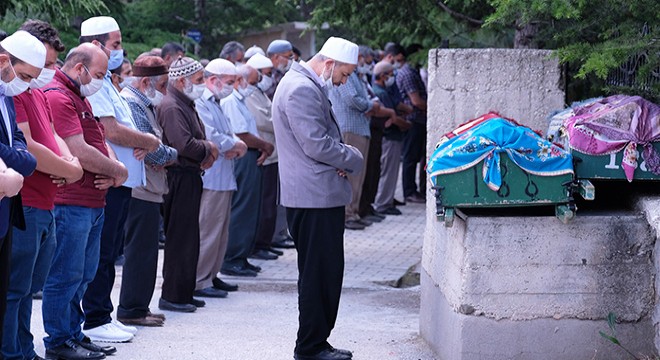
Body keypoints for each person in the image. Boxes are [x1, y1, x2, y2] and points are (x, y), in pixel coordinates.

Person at [272, 36, 363, 360]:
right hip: (313, 197)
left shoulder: (303, 84)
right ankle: (310, 346)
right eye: (344, 73)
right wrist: (351, 157)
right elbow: (317, 145)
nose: (344, 80)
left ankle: (316, 342)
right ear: (329, 63)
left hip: (314, 195)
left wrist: (337, 158)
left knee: (323, 273)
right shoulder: (301, 88)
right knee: (318, 275)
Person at [2, 21, 85, 360]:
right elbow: (26, 150)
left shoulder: (20, 92)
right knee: (15, 288)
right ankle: (13, 352)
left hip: (40, 200)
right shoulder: (12, 92)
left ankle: (23, 349)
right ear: (6, 60)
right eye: (34, 71)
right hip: (25, 201)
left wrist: (70, 166)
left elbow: (36, 138)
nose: (42, 77)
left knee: (26, 288)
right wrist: (70, 170)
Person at [42, 43, 128, 360]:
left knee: (83, 275)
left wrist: (116, 172)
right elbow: (78, 150)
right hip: (71, 202)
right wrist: (118, 170)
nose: (102, 81)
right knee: (65, 275)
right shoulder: (59, 95)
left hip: (91, 202)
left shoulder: (79, 95)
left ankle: (74, 333)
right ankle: (59, 341)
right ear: (80, 68)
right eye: (101, 74)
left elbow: (100, 141)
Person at [79, 15, 161, 343]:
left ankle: (103, 314)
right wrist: (149, 141)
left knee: (110, 251)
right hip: (107, 180)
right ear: (96, 45)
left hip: (121, 181)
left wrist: (142, 139)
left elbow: (123, 128)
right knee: (101, 254)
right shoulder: (93, 80)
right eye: (115, 44)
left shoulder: (107, 80)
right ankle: (96, 317)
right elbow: (111, 131)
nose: (121, 50)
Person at [118, 55, 177, 326]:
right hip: (140, 188)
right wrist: (170, 153)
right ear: (145, 82)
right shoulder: (133, 104)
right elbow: (153, 155)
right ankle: (132, 309)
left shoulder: (145, 103)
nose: (165, 93)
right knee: (140, 251)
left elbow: (154, 148)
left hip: (149, 187)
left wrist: (159, 150)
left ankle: (140, 305)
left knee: (148, 251)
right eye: (163, 86)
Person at [158, 56, 218, 312]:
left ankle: (184, 292)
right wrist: (210, 148)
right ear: (181, 81)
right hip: (179, 177)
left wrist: (206, 149)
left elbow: (197, 138)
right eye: (198, 80)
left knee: (189, 237)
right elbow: (184, 145)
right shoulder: (172, 106)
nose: (202, 84)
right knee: (180, 238)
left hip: (190, 176)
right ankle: (173, 295)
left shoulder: (184, 102)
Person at [0, 30, 41, 356]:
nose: (24, 83)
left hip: (7, 210)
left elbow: (17, 140)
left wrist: (19, 163)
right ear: (5, 61)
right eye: (23, 74)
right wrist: (19, 164)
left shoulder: (6, 96)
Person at [194, 58, 247, 297]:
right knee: (208, 231)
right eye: (229, 81)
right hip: (212, 176)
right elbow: (211, 136)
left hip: (224, 175)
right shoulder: (201, 102)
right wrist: (235, 144)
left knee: (221, 230)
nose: (232, 86)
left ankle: (212, 275)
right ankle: (200, 280)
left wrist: (234, 143)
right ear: (213, 80)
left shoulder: (217, 101)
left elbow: (226, 132)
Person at [219, 64, 273, 277]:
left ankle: (242, 255)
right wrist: (265, 145)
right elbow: (242, 134)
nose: (251, 87)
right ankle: (233, 257)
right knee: (243, 207)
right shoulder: (231, 101)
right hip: (244, 155)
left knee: (251, 207)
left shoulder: (239, 100)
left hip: (251, 155)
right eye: (249, 82)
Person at [328, 60, 379, 230]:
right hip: (350, 129)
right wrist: (371, 106)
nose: (365, 61)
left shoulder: (355, 75)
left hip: (359, 128)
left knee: (359, 175)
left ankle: (354, 212)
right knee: (351, 174)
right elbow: (352, 99)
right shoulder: (346, 75)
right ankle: (348, 214)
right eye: (362, 58)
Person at [245, 53, 281, 260]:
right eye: (266, 74)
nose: (268, 78)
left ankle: (265, 242)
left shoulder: (258, 92)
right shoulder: (248, 93)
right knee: (263, 202)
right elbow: (264, 119)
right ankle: (258, 244)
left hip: (271, 152)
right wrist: (280, 118)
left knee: (270, 201)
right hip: (262, 152)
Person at [386, 43, 427, 203]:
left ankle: (413, 190)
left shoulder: (412, 71)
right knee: (410, 158)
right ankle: (409, 191)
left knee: (414, 157)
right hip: (413, 121)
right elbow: (416, 101)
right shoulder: (408, 73)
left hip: (417, 120)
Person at [372, 61, 412, 215]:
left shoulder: (384, 90)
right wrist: (407, 124)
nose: (393, 77)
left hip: (391, 135)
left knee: (391, 171)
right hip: (389, 136)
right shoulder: (381, 92)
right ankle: (383, 203)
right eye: (390, 74)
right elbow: (392, 117)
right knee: (388, 171)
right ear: (383, 75)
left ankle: (387, 200)